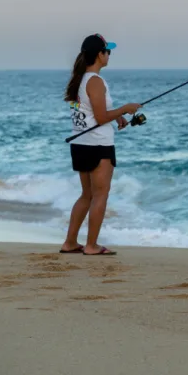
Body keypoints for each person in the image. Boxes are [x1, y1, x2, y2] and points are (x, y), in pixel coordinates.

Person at [60, 33, 141, 255]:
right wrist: (125, 108)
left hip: (80, 144)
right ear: (99, 54)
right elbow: (100, 117)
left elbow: (92, 112)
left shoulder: (80, 80)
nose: (109, 55)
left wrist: (117, 116)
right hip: (98, 146)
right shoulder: (95, 81)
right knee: (100, 195)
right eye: (108, 51)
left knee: (86, 195)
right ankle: (91, 246)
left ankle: (70, 243)